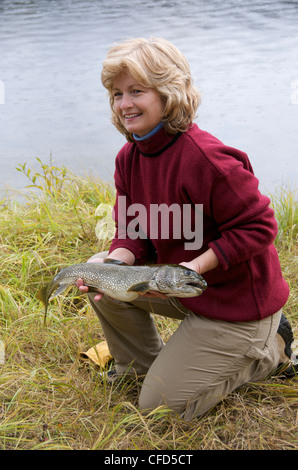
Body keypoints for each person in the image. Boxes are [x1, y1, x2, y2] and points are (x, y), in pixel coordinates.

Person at [77, 37, 296, 421]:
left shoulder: (208, 159)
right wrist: (113, 266)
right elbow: (132, 232)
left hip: (236, 306)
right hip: (181, 287)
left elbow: (260, 226)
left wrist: (194, 268)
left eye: (136, 91)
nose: (124, 104)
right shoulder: (129, 157)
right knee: (101, 270)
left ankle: (273, 350)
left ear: (168, 92)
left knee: (160, 409)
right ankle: (139, 367)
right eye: (116, 94)